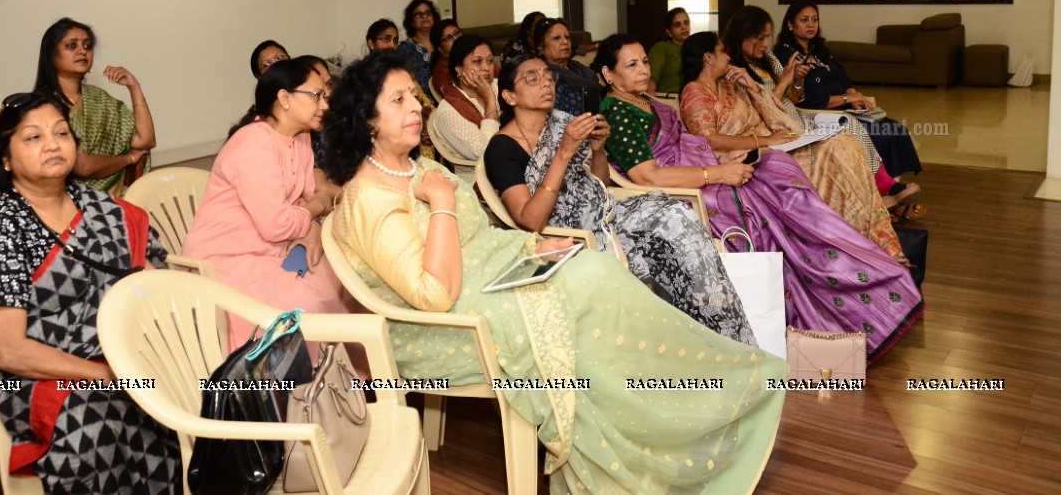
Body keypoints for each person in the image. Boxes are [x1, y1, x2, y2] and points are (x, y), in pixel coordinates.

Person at [323, 51, 785, 494]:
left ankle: (690, 407)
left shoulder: (418, 166)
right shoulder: (369, 199)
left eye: (412, 96)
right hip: (444, 326)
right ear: (366, 120)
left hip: (485, 282)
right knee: (585, 287)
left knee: (590, 269)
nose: (415, 109)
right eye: (397, 100)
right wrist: (443, 202)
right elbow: (434, 295)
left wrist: (536, 245)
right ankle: (660, 435)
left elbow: (479, 237)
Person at [595, 34, 923, 361]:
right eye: (631, 64)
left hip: (698, 173)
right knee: (777, 209)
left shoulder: (645, 101)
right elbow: (648, 176)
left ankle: (865, 279)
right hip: (681, 195)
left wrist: (735, 155)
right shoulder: (618, 113)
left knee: (776, 166)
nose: (642, 70)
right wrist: (717, 174)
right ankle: (837, 308)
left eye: (644, 61)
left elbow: (690, 145)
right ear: (609, 75)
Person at [0, 92, 180, 493]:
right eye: (33, 138)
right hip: (15, 375)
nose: (53, 144)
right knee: (97, 410)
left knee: (193, 383)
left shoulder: (104, 208)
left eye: (61, 133)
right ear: (5, 158)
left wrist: (158, 354)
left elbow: (153, 289)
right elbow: (7, 351)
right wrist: (106, 375)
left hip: (115, 355)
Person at [483, 54, 755, 344]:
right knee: (664, 240)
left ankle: (723, 337)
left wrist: (599, 150)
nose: (546, 83)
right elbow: (531, 220)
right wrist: (564, 152)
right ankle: (695, 341)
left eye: (548, 76)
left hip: (606, 213)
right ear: (509, 95)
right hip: (569, 235)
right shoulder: (502, 149)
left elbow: (598, 186)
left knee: (677, 215)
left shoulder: (563, 125)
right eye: (532, 78)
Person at [182, 60, 356, 351]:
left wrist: (311, 226)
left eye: (324, 96)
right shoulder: (253, 143)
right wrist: (316, 209)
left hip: (275, 249)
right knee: (305, 308)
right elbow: (280, 222)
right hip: (228, 258)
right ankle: (296, 393)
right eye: (316, 96)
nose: (325, 105)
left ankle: (352, 387)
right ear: (284, 98)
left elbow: (304, 198)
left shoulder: (300, 137)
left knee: (347, 284)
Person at [723, 6, 925, 225]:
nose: (765, 44)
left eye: (767, 37)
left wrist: (796, 80)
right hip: (778, 125)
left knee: (849, 123)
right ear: (742, 35)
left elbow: (796, 96)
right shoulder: (735, 70)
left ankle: (884, 186)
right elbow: (759, 110)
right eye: (759, 38)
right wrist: (784, 82)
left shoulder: (768, 57)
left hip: (797, 113)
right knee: (842, 139)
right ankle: (880, 198)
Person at [774, 1, 924, 211]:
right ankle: (883, 194)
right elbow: (807, 99)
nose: (811, 25)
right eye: (804, 20)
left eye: (815, 20)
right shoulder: (785, 55)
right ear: (790, 24)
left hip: (844, 108)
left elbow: (841, 77)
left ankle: (889, 195)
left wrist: (853, 94)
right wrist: (846, 99)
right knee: (878, 135)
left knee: (894, 128)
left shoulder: (819, 49)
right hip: (819, 113)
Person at [34, 18, 155, 194]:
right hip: (64, 200)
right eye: (71, 46)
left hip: (109, 202)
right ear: (51, 55)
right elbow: (81, 166)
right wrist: (128, 158)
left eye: (87, 46)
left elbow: (146, 140)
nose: (82, 51)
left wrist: (134, 86)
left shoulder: (98, 99)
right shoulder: (42, 106)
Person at [367, 18, 438, 163]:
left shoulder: (402, 71)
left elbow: (422, 100)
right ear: (371, 43)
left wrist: (426, 122)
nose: (392, 45)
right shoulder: (365, 75)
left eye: (395, 40)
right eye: (386, 39)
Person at [431, 35, 499, 185]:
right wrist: (490, 100)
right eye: (477, 61)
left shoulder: (498, 86)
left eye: (489, 61)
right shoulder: (448, 111)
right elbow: (483, 152)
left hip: (511, 165)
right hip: (480, 183)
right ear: (459, 69)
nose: (486, 68)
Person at [534, 17, 598, 118]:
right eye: (556, 38)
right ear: (540, 47)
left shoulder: (582, 70)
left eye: (567, 37)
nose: (565, 42)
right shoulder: (541, 77)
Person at [292, 54, 337, 174]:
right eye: (318, 90)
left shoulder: (345, 121)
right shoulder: (293, 136)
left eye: (330, 84)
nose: (327, 93)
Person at [397, 0, 440, 97]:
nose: (425, 17)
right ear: (412, 22)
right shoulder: (405, 49)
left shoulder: (442, 43)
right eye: (419, 15)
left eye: (428, 13)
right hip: (420, 101)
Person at [648, 7, 691, 94]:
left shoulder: (696, 47)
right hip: (667, 100)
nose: (684, 27)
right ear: (669, 31)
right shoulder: (661, 48)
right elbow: (651, 80)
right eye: (678, 25)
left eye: (686, 23)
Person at [427, 18, 463, 98]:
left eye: (457, 33)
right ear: (441, 49)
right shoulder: (442, 71)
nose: (456, 39)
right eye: (449, 38)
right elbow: (457, 100)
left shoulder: (471, 55)